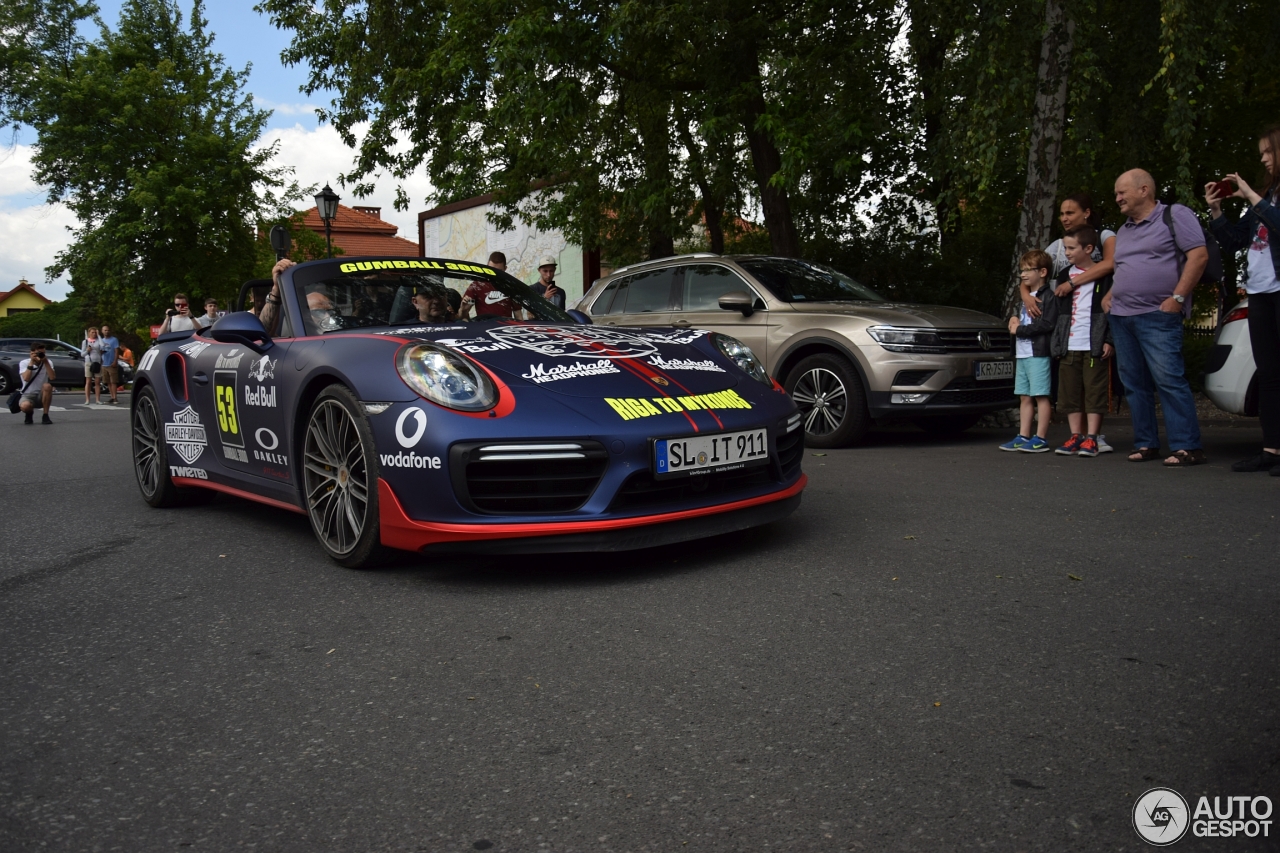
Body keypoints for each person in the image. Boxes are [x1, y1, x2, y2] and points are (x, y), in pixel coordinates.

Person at [1102, 168, 1208, 466]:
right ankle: (1146, 443)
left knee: (1169, 379)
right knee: (1134, 383)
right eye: (1116, 193)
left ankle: (1188, 446)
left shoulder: (1174, 215)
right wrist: (1110, 296)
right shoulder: (1123, 230)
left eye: (1122, 192)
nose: (1117, 198)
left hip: (1157, 315)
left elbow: (1198, 256)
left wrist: (1177, 298)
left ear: (1144, 189)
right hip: (1122, 317)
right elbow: (1122, 267)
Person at [1206, 126, 1280, 474]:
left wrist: (1252, 195)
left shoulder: (1262, 199)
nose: (1263, 158)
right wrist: (1217, 211)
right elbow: (1236, 242)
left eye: (1268, 151)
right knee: (1268, 373)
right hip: (1260, 294)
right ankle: (1271, 449)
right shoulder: (1268, 194)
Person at [1052, 227, 1114, 456]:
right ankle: (1075, 436)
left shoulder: (1105, 276)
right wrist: (1057, 343)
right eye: (1065, 247)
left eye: (1071, 248)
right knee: (1069, 392)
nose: (1066, 252)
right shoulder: (1064, 275)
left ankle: (1092, 438)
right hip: (1070, 344)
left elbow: (1111, 311)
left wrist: (1109, 340)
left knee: (1094, 391)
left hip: (1094, 344)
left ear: (1088, 249)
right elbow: (1058, 313)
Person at [1021, 193, 1118, 317]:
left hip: (1097, 310)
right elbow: (1033, 271)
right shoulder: (1058, 245)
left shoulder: (1104, 236)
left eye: (1070, 213)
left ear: (1086, 213)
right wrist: (1026, 297)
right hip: (1064, 312)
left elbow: (1110, 263)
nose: (1064, 219)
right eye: (1062, 214)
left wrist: (1071, 283)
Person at [1001, 250, 1059, 453]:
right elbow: (1020, 321)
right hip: (1022, 352)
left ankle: (1041, 438)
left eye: (1028, 270)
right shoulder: (1024, 298)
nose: (1023, 274)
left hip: (1038, 353)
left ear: (1042, 272)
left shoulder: (1048, 297)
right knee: (1024, 396)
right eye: (1021, 270)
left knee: (1041, 395)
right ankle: (1023, 436)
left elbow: (1047, 324)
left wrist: (1020, 330)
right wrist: (1013, 321)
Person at [460, 253, 515, 320]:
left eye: (499, 271)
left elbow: (518, 314)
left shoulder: (511, 287)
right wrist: (464, 310)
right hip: (483, 328)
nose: (494, 274)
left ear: (505, 269)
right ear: (487, 267)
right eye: (491, 270)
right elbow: (464, 315)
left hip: (505, 328)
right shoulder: (477, 286)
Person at [17, 341, 55, 424]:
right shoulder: (24, 363)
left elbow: (52, 377)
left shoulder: (48, 362)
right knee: (25, 406)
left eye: (43, 353)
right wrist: (31, 362)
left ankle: (45, 415)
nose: (41, 355)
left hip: (42, 394)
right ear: (32, 352)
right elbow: (26, 378)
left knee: (47, 386)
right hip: (28, 394)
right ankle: (29, 413)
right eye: (39, 353)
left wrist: (46, 362)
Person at [99, 324, 121, 404]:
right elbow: (100, 352)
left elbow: (116, 351)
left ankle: (115, 397)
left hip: (111, 363)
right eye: (105, 330)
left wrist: (115, 361)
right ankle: (112, 396)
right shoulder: (101, 341)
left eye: (108, 330)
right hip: (104, 363)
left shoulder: (114, 340)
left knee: (113, 381)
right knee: (108, 381)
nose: (107, 332)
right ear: (102, 331)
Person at [81, 327, 103, 404]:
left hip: (97, 362)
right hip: (89, 362)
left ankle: (98, 399)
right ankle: (87, 399)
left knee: (97, 381)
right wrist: (87, 350)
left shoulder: (98, 341)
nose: (94, 334)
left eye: (95, 332)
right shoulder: (85, 342)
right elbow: (82, 354)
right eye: (92, 332)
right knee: (88, 381)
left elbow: (102, 346)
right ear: (89, 333)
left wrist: (99, 336)